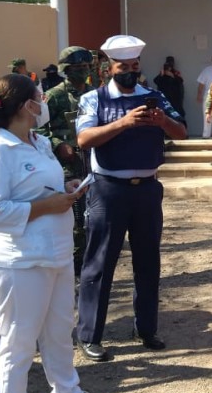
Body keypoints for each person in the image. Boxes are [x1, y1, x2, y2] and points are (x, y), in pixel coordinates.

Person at [0, 73, 109, 393]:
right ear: (23, 106)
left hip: (56, 253)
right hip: (18, 261)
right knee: (18, 342)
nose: (43, 101)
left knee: (59, 331)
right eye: (37, 97)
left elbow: (40, 186)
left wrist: (63, 190)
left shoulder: (39, 141)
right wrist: (46, 205)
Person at [75, 34, 187, 362]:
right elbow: (84, 139)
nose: (130, 72)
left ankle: (147, 328)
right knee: (99, 264)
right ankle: (89, 335)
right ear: (108, 69)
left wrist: (162, 120)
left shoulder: (154, 96)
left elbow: (181, 132)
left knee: (148, 262)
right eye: (123, 67)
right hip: (109, 191)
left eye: (135, 67)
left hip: (148, 191)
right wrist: (123, 123)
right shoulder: (94, 99)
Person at [40, 46, 94, 276]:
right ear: (65, 70)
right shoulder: (55, 96)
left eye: (85, 67)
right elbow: (37, 129)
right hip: (67, 167)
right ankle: (71, 266)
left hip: (93, 162)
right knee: (74, 218)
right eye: (77, 68)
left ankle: (89, 264)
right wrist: (58, 145)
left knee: (94, 216)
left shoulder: (94, 93)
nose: (82, 71)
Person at [196, 52, 212, 138]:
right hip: (208, 96)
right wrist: (199, 95)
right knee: (207, 116)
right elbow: (201, 84)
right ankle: (206, 135)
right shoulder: (207, 70)